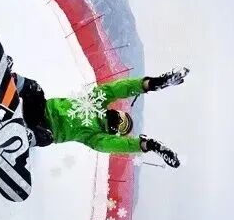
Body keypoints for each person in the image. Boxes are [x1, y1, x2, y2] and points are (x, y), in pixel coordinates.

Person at [14, 67, 189, 167]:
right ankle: (9, 80)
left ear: (116, 133)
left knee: (46, 138)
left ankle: (23, 137)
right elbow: (118, 89)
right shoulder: (96, 101)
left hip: (42, 129)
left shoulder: (97, 137)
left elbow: (121, 145)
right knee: (35, 89)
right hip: (39, 109)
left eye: (121, 125)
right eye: (122, 117)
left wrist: (148, 145)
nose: (119, 121)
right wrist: (151, 84)